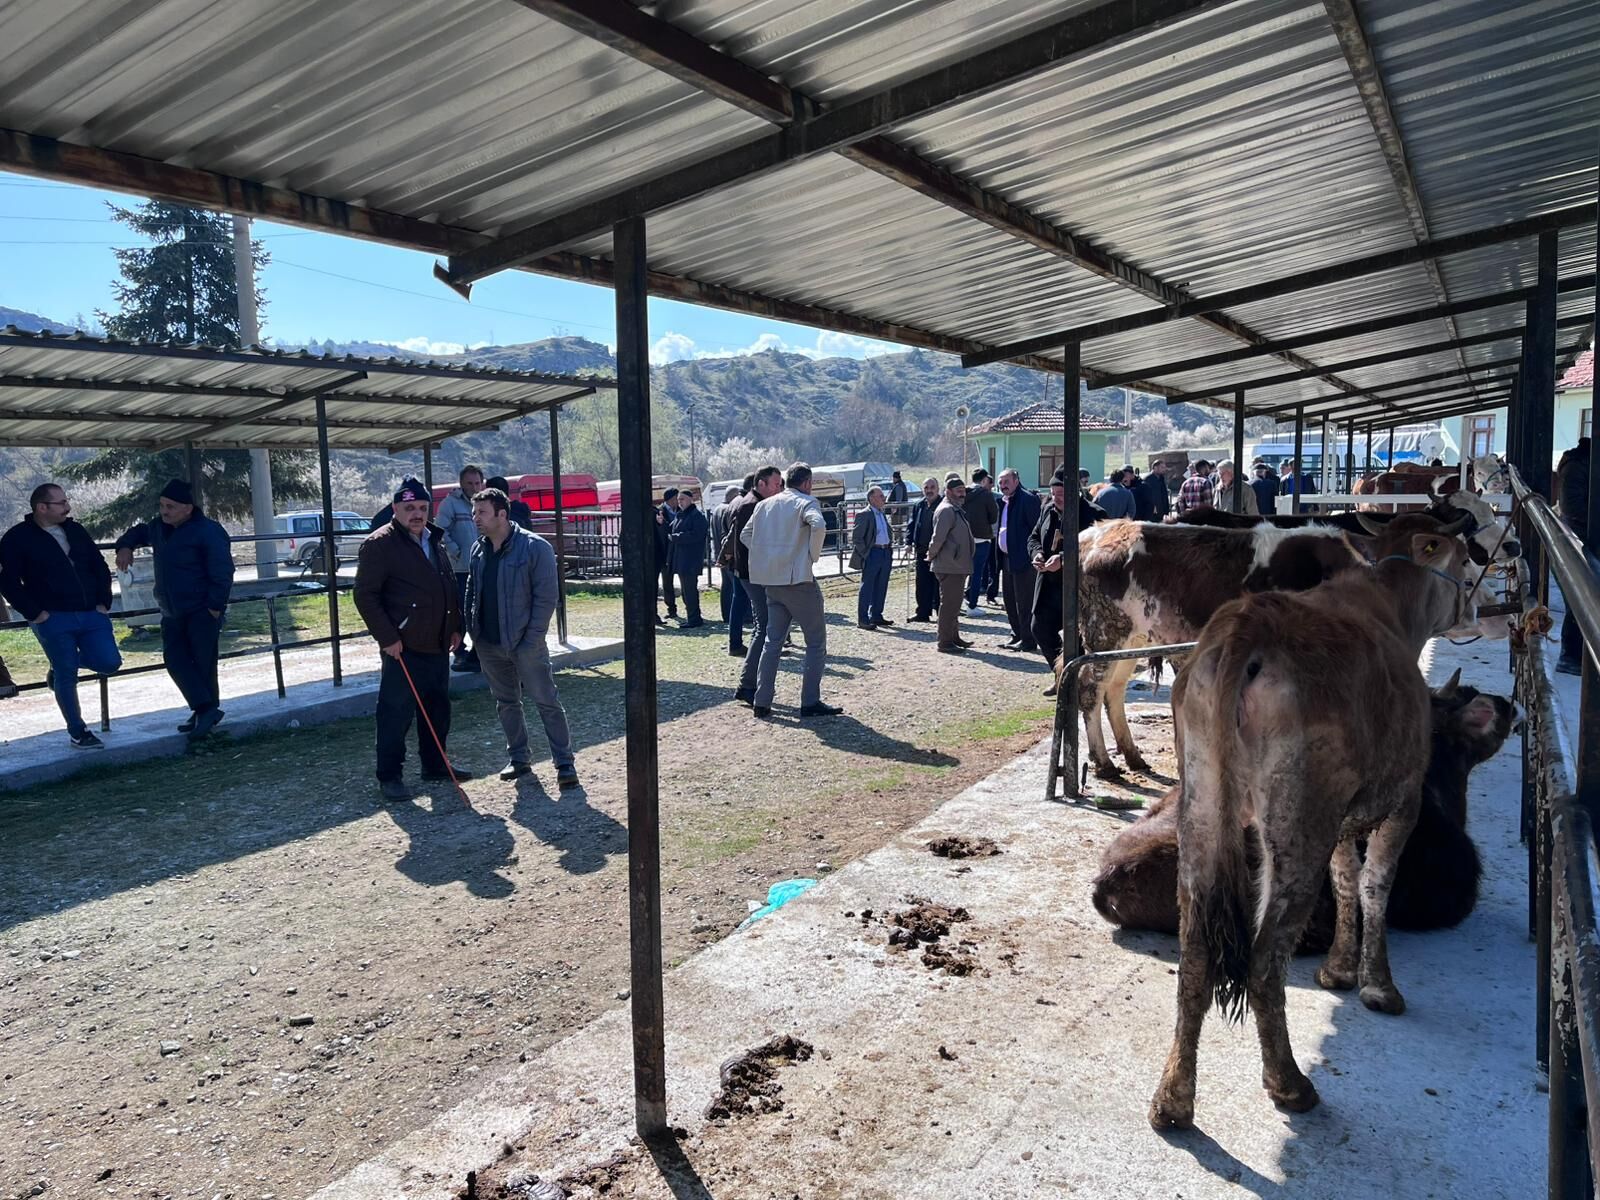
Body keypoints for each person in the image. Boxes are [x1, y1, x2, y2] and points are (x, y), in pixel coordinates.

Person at [354, 478, 467, 802]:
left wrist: (455, 627)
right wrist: (387, 638)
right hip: (402, 647)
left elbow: (447, 588)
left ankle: (435, 765)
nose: (416, 514)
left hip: (437, 643)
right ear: (395, 509)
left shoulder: (435, 539)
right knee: (395, 713)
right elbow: (365, 596)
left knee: (437, 710)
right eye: (409, 508)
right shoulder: (379, 545)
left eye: (421, 507)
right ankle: (390, 776)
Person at [464, 487, 578, 788]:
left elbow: (546, 597)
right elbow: (471, 591)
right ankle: (519, 758)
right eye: (474, 513)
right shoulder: (478, 549)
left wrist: (531, 640)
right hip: (488, 644)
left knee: (546, 701)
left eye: (482, 512)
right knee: (506, 703)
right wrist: (473, 633)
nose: (475, 518)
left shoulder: (534, 547)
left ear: (502, 514)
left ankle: (565, 764)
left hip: (525, 644)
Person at [1, 482, 122, 748]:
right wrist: (36, 613)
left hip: (92, 613)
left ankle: (58, 670)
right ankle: (79, 732)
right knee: (68, 674)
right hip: (53, 617)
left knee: (109, 662)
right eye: (61, 503)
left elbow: (98, 565)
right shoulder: (16, 538)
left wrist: (104, 601)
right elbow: (8, 582)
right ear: (42, 508)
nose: (68, 508)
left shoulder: (75, 530)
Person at [113, 479, 233, 739]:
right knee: (176, 660)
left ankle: (205, 711)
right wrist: (124, 546)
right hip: (171, 610)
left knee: (202, 663)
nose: (164, 511)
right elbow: (137, 532)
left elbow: (223, 572)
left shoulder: (207, 531)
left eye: (170, 506)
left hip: (201, 609)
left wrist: (214, 607)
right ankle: (205, 709)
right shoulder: (159, 528)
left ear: (188, 508)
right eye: (162, 505)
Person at [740, 463, 839, 718]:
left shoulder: (764, 505)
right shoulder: (806, 502)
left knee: (772, 642)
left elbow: (744, 535)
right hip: (799, 581)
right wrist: (811, 556)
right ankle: (809, 701)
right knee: (816, 642)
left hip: (772, 583)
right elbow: (818, 526)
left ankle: (762, 701)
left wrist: (768, 556)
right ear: (807, 483)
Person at [725, 465, 784, 701]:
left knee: (763, 625)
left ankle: (747, 684)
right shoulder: (753, 505)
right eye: (776, 484)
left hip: (748, 573)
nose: (779, 488)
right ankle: (748, 685)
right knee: (765, 626)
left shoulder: (746, 501)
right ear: (761, 484)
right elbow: (750, 541)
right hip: (753, 574)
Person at [436, 464, 484, 672]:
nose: (474, 487)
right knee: (462, 612)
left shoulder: (483, 504)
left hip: (481, 567)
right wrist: (454, 551)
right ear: (461, 484)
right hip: (460, 568)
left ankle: (478, 652)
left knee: (480, 610)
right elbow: (440, 530)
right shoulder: (450, 504)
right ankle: (459, 652)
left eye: (477, 483)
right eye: (470, 483)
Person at [1029, 468, 1073, 689]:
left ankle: (1076, 681)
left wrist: (1063, 559)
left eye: (1063, 494)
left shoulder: (1091, 512)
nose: (1058, 498)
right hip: (1048, 585)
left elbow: (1096, 547)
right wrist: (1037, 552)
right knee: (1040, 629)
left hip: (1076, 588)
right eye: (1055, 493)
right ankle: (1060, 674)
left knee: (1078, 638)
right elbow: (1034, 536)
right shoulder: (1047, 510)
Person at [1556, 437, 1594, 676]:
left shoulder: (1582, 463)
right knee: (1582, 597)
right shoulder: (1578, 467)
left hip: (1587, 540)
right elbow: (1573, 508)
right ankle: (1571, 656)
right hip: (1582, 542)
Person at [928, 474, 976, 655]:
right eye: (959, 491)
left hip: (956, 565)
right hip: (949, 565)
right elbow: (938, 538)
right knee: (949, 605)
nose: (962, 494)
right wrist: (931, 555)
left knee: (954, 604)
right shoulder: (947, 510)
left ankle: (954, 637)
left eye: (963, 491)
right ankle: (945, 642)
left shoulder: (954, 509)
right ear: (948, 492)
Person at [994, 468, 1040, 653]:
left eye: (1006, 481)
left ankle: (1028, 639)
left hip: (1024, 560)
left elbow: (1036, 530)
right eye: (1001, 482)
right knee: (1009, 600)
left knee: (1025, 601)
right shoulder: (1003, 501)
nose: (1002, 485)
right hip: (1006, 558)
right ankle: (1018, 634)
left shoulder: (1027, 500)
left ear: (1016, 481)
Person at [850, 485, 895, 629]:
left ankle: (876, 615)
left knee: (881, 586)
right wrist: (866, 554)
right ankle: (863, 619)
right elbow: (857, 538)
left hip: (885, 552)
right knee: (867, 587)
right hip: (873, 553)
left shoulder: (881, 513)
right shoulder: (864, 515)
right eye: (881, 496)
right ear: (872, 498)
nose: (884, 498)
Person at [668, 490, 709, 628]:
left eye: (683, 499)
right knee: (686, 591)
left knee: (690, 591)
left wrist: (677, 537)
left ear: (691, 499)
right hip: (681, 559)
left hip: (690, 559)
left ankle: (694, 619)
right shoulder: (680, 515)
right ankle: (692, 616)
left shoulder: (697, 515)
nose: (680, 502)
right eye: (679, 499)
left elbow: (696, 535)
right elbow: (672, 529)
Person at [905, 476, 942, 624]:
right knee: (922, 584)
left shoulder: (943, 505)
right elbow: (912, 525)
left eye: (932, 487)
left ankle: (942, 614)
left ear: (938, 489)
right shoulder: (918, 505)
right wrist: (908, 542)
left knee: (938, 585)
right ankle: (922, 613)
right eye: (926, 488)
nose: (929, 490)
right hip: (921, 551)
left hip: (939, 552)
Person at [962, 469, 999, 613]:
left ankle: (957, 601)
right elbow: (994, 517)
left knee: (960, 573)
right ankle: (972, 605)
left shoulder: (963, 492)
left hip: (964, 538)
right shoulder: (986, 495)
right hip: (982, 538)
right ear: (984, 480)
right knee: (977, 573)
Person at [712, 483, 743, 629]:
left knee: (726, 586)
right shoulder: (728, 510)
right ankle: (737, 616)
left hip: (719, 553)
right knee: (735, 588)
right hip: (728, 555)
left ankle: (726, 614)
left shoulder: (717, 509)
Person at [654, 487, 680, 624]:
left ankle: (679, 608)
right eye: (677, 498)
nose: (679, 501)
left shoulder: (680, 511)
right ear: (671, 499)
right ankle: (671, 608)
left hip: (677, 551)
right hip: (664, 552)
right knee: (666, 581)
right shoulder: (659, 512)